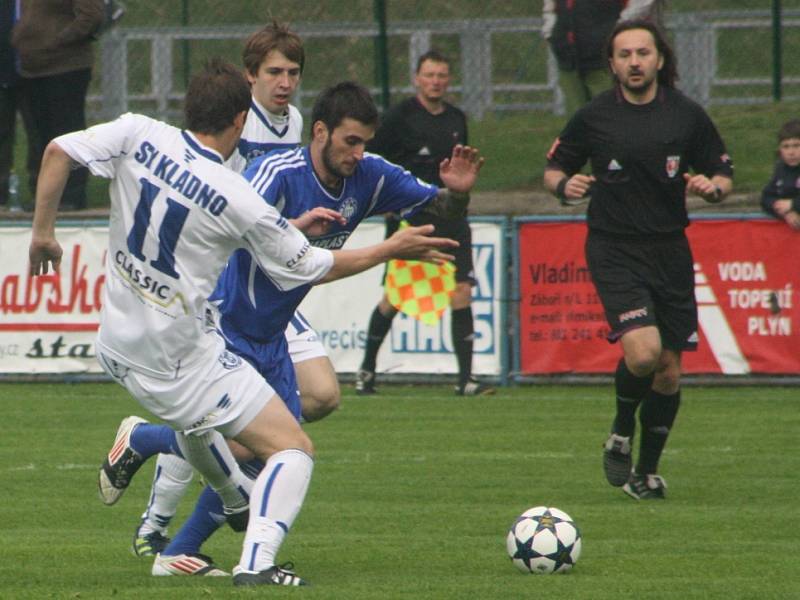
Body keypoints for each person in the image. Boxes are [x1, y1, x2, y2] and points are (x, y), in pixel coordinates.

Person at [29, 59, 457, 586]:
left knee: (227, 428)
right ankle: (254, 562)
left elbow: (55, 151)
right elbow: (310, 265)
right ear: (238, 121)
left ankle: (224, 501)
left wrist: (43, 234)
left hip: (117, 345)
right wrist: (389, 248)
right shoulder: (236, 196)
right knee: (291, 448)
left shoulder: (137, 131)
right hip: (182, 357)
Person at [130, 19, 321, 561]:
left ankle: (151, 447)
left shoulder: (296, 123)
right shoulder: (233, 123)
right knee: (220, 418)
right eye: (274, 72)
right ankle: (158, 528)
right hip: (229, 281)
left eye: (292, 73)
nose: (285, 83)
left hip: (274, 277)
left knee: (321, 395)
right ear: (249, 78)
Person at [543, 19, 733, 500]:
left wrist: (713, 189)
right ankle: (621, 428)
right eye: (624, 54)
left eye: (642, 53)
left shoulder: (687, 116)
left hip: (670, 249)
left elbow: (722, 172)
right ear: (611, 63)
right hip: (614, 247)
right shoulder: (593, 116)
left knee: (668, 369)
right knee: (644, 353)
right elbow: (553, 169)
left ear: (660, 60)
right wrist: (566, 186)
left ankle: (644, 473)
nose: (634, 62)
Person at [356, 49, 493, 397]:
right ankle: (367, 371)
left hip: (453, 218)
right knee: (396, 298)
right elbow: (373, 160)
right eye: (430, 75)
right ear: (417, 78)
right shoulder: (398, 117)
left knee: (462, 291)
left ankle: (466, 380)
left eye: (442, 75)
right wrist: (385, 200)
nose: (436, 82)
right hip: (414, 221)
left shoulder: (457, 118)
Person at [12, 0, 105, 210]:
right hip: (32, 69)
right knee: (40, 138)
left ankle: (72, 195)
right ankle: (44, 197)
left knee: (68, 134)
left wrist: (57, 41)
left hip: (65, 67)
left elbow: (92, 16)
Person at [542, 0, 663, 117]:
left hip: (605, 57)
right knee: (577, 118)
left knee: (610, 114)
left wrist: (618, 32)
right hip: (567, 54)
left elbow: (641, 5)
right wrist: (551, 31)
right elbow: (550, 7)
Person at [761, 119, 800, 231]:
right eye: (786, 147)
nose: (791, 152)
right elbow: (766, 197)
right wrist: (785, 212)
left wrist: (793, 204)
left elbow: (791, 203)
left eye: (796, 145)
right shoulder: (781, 170)